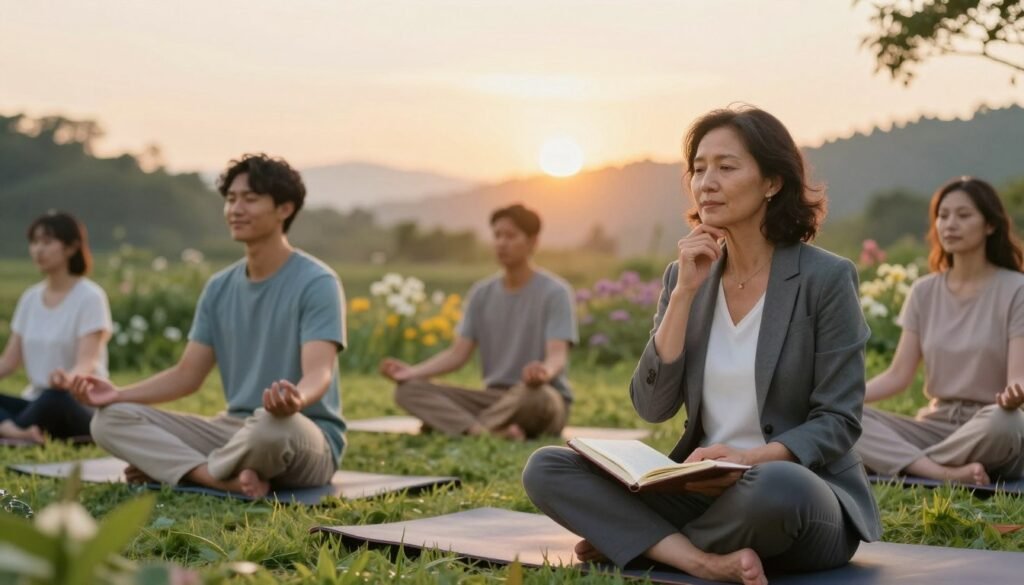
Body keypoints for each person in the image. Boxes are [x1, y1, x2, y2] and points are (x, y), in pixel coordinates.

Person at [522, 106, 881, 585]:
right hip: (698, 489)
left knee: (778, 488)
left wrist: (745, 458)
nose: (706, 182)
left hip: (796, 492)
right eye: (698, 168)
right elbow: (652, 405)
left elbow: (838, 421)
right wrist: (685, 293)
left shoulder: (826, 279)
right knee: (548, 466)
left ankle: (645, 542)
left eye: (726, 167)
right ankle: (699, 560)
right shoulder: (685, 275)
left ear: (772, 182)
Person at [68, 154, 346, 498]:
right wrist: (118, 394)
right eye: (230, 199)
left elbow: (320, 373)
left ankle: (179, 468)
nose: (236, 209)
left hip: (299, 432)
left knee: (270, 430)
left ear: (284, 209)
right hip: (233, 430)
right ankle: (215, 477)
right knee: (109, 419)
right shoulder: (219, 287)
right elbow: (188, 375)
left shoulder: (317, 282)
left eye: (250, 199)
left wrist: (295, 400)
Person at [855, 177, 1024, 484]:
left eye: (963, 215)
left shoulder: (1017, 289)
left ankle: (910, 463)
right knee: (844, 419)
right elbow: (897, 376)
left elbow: (1017, 380)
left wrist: (1016, 394)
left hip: (988, 426)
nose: (950, 224)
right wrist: (839, 399)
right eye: (943, 216)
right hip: (933, 426)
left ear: (990, 225)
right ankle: (943, 472)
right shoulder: (924, 291)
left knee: (1008, 423)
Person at [379, 204, 578, 441]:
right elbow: (457, 355)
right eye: (497, 235)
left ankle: (461, 426)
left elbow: (558, 355)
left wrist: (543, 372)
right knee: (408, 391)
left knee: (538, 398)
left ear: (533, 242)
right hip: (493, 398)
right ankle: (486, 431)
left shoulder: (555, 292)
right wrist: (411, 373)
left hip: (536, 396)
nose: (501, 243)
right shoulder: (481, 294)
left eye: (510, 236)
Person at [0, 212, 111, 442]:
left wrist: (68, 380)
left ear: (71, 248)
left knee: (54, 398)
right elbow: (9, 362)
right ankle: (15, 431)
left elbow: (86, 363)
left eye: (47, 242)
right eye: (34, 242)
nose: (38, 249)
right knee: (42, 401)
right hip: (36, 403)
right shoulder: (30, 298)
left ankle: (10, 429)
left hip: (76, 404)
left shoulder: (90, 297)